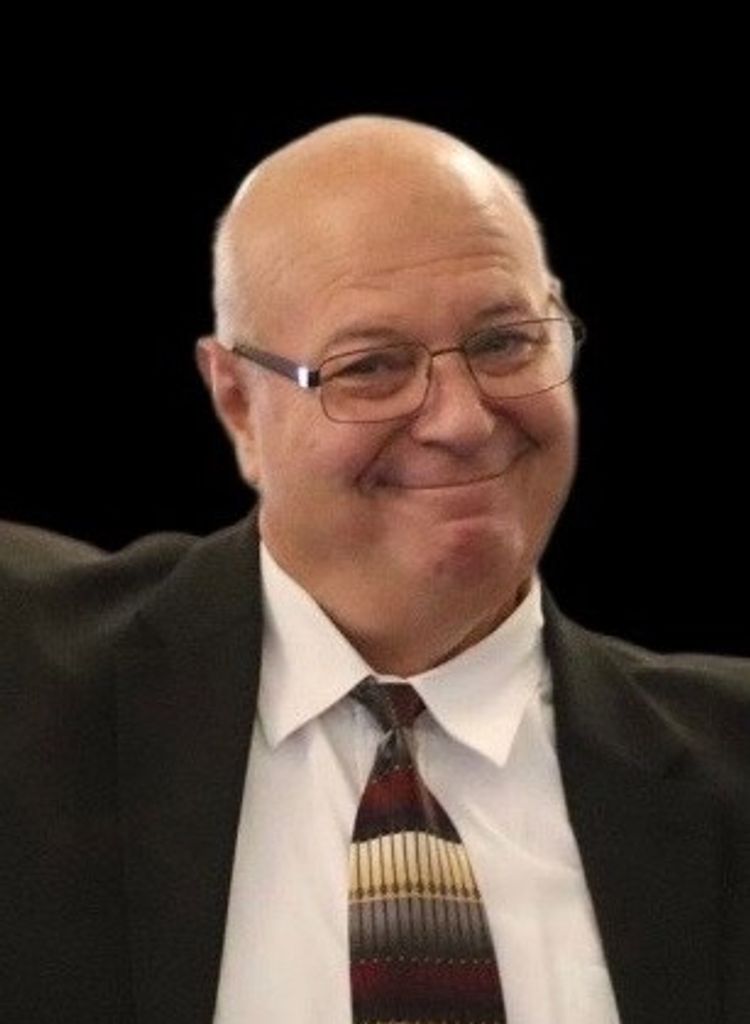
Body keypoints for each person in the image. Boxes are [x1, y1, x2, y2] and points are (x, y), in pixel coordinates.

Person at [2, 115, 748, 1024]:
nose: (462, 419)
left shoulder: (731, 760)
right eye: (373, 367)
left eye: (505, 341)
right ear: (236, 402)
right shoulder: (23, 666)